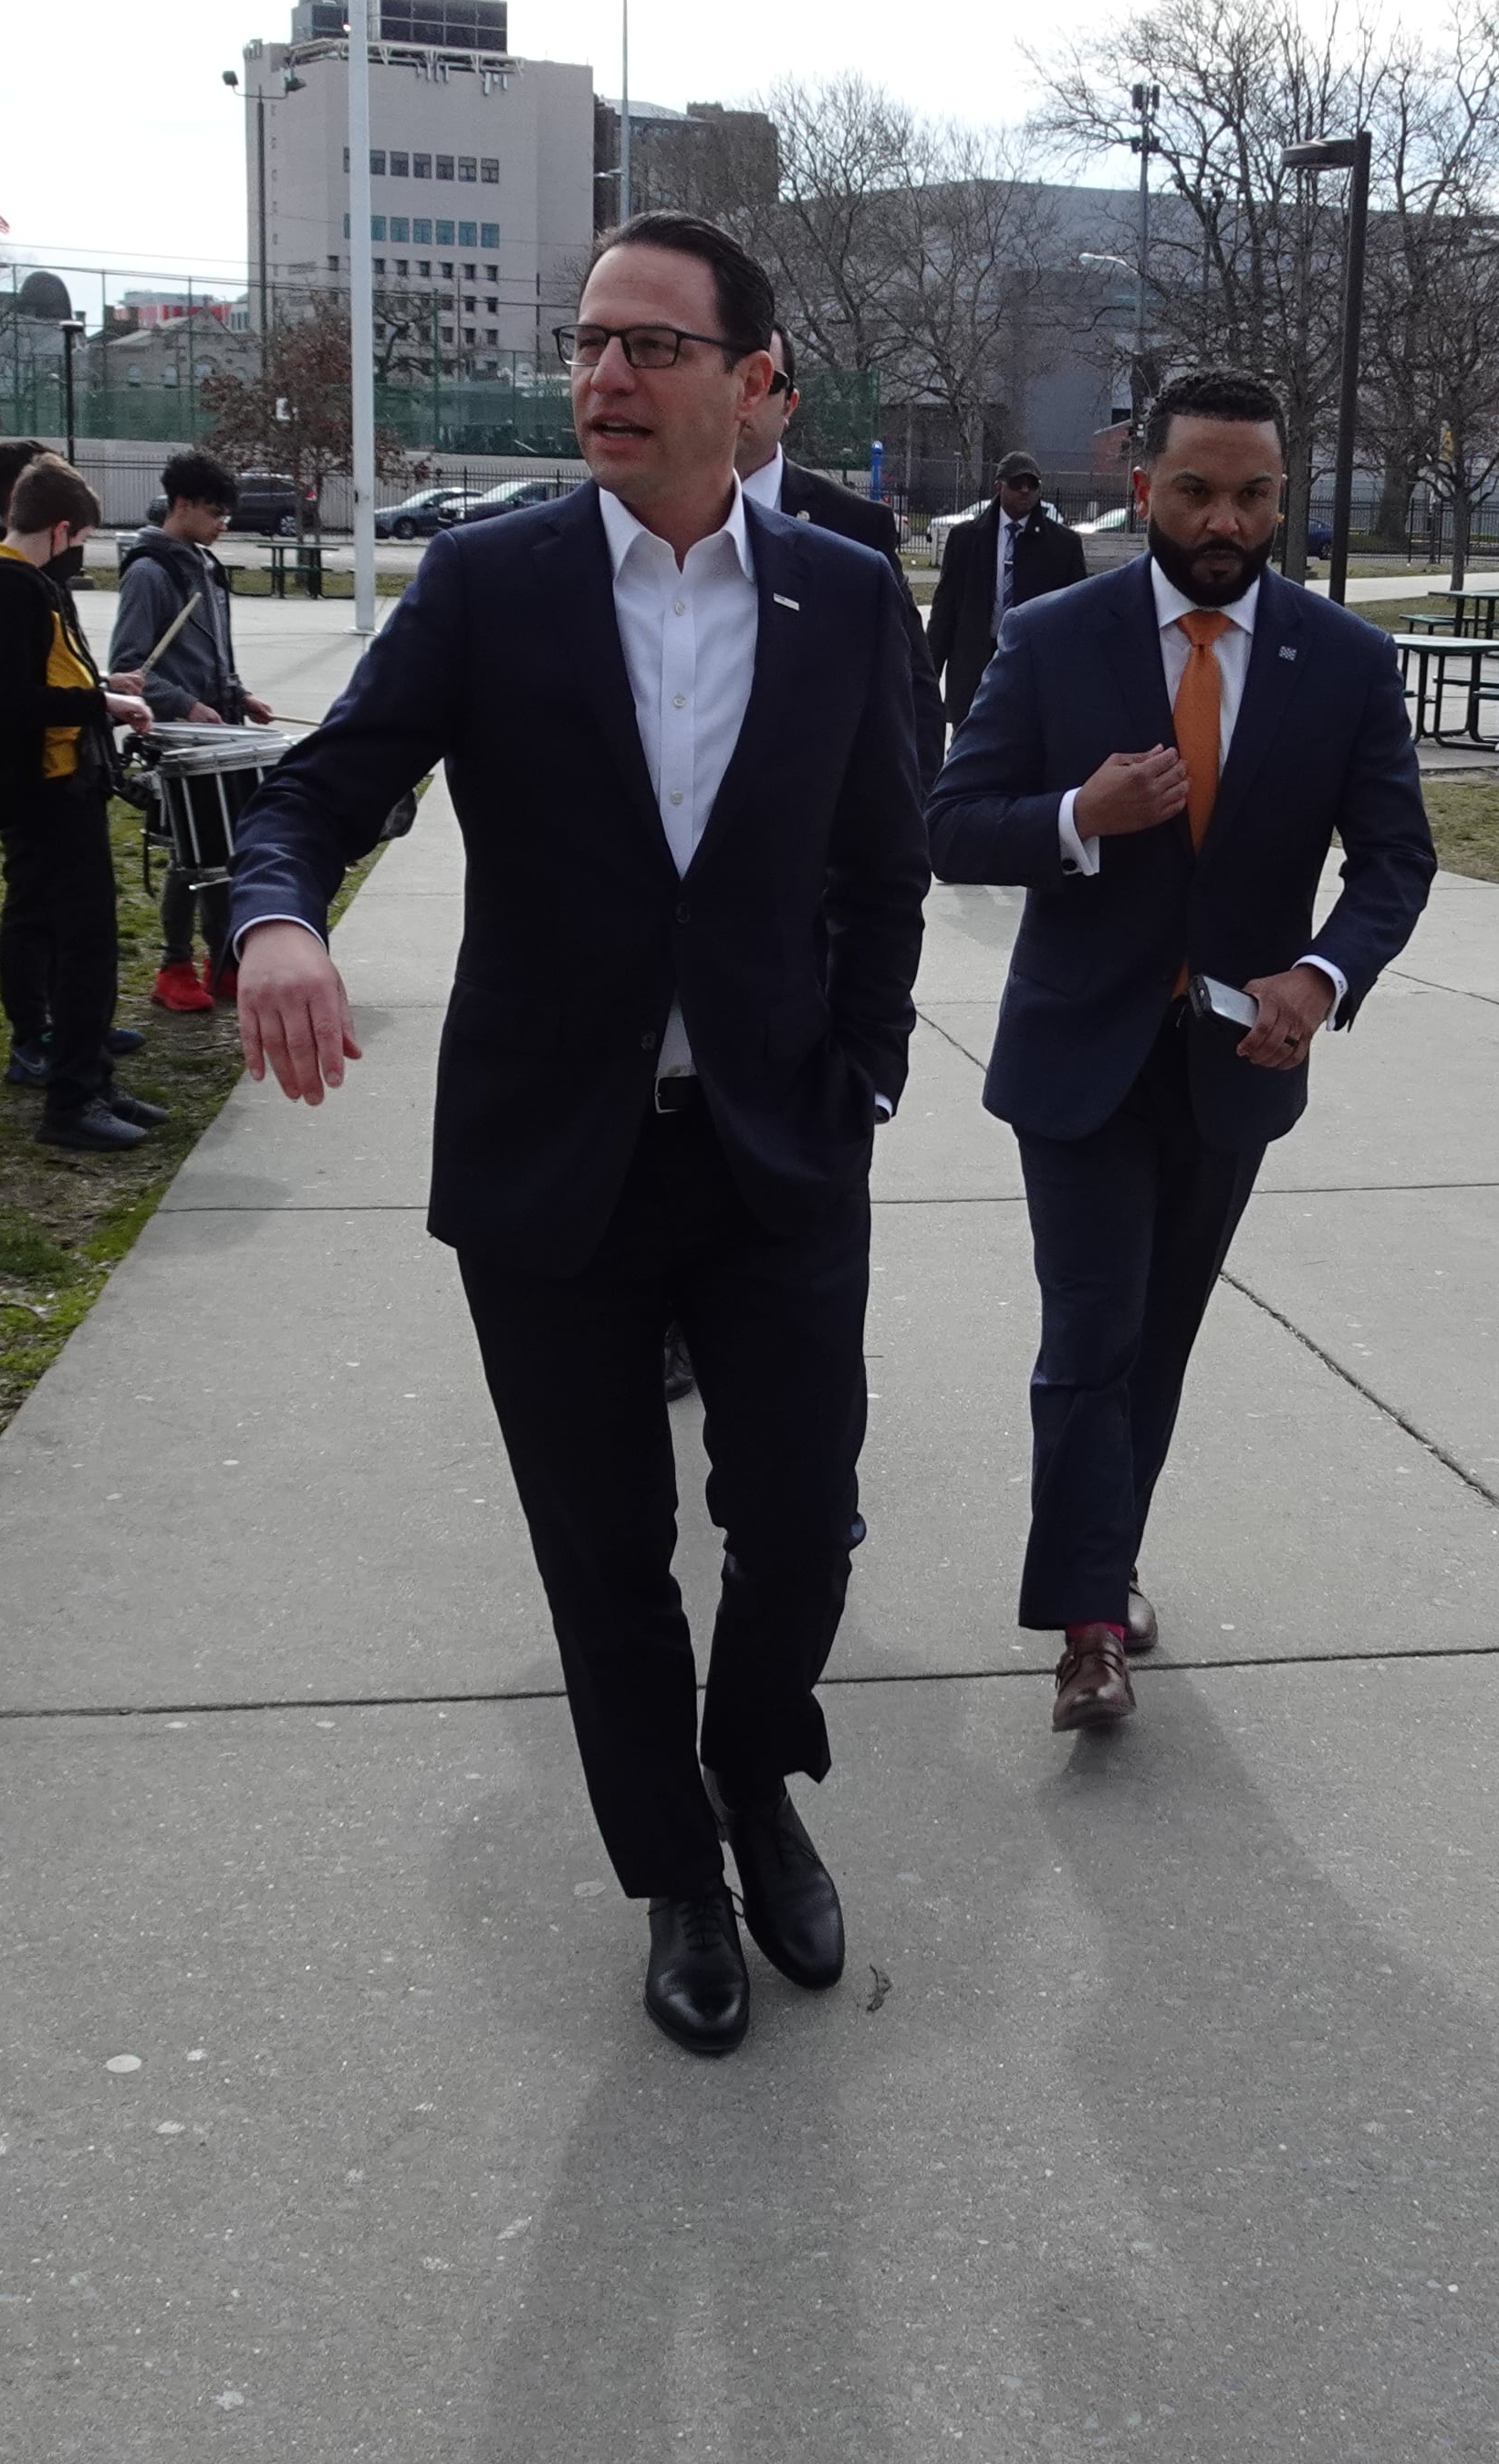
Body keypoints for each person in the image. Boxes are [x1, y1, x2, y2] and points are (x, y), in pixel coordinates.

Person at [230, 213, 927, 2058]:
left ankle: (754, 1773)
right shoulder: (494, 583)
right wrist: (276, 919)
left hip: (777, 1148)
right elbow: (320, 793)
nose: (603, 378)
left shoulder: (847, 595)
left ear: (750, 381)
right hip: (556, 1158)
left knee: (800, 1523)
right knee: (602, 1549)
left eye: (650, 348)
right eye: (588, 344)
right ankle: (677, 1874)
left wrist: (862, 1075)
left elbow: (884, 862)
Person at [926, 366, 1433, 1734]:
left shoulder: (1343, 662)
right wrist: (1078, 813)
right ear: (1142, 485)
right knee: (1090, 1330)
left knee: (1160, 1336)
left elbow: (1395, 862)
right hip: (1080, 1054)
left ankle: (1108, 1558)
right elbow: (951, 821)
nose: (1225, 518)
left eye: (1254, 493)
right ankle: (1088, 1627)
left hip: (1235, 1068)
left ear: (1283, 498)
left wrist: (1323, 980)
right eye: (1197, 489)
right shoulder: (1052, 636)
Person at [0, 455, 163, 1149]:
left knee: (92, 946)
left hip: (69, 788)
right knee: (81, 947)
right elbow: (10, 701)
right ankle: (70, 1101)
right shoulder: (2, 586)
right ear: (57, 530)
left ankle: (94, 1078)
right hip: (42, 794)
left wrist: (102, 685)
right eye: (78, 540)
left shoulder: (30, 585)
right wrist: (99, 702)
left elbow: (45, 673)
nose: (79, 554)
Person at [111, 448, 278, 1014]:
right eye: (213, 511)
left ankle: (223, 962)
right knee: (191, 856)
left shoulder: (202, 566)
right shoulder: (150, 572)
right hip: (179, 742)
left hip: (219, 735)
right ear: (181, 504)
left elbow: (212, 657)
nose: (223, 523)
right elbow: (130, 668)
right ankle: (174, 967)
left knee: (226, 854)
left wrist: (239, 695)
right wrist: (184, 705)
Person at [734, 337, 941, 765]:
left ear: (789, 404)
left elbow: (912, 689)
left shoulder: (855, 528)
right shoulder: (648, 514)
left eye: (760, 382)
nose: (743, 397)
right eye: (730, 375)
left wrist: (913, 819)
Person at [925, 450, 1086, 741]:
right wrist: (926, 675)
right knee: (967, 748)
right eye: (1016, 483)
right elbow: (945, 610)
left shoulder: (1063, 546)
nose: (1025, 490)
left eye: (1032, 484)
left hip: (1032, 667)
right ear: (999, 486)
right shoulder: (966, 539)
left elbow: (1076, 618)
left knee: (1021, 747)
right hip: (974, 660)